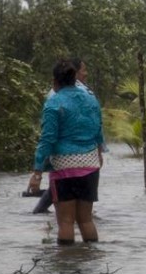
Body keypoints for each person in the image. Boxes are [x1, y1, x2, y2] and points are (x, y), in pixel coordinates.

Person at [28, 59, 105, 244]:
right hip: (90, 165)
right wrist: (99, 152)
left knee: (65, 222)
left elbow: (47, 140)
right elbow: (98, 128)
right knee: (86, 220)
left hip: (64, 168)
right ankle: (91, 261)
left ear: (55, 81)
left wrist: (37, 172)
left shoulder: (54, 103)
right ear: (73, 78)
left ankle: (65, 268)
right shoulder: (90, 97)